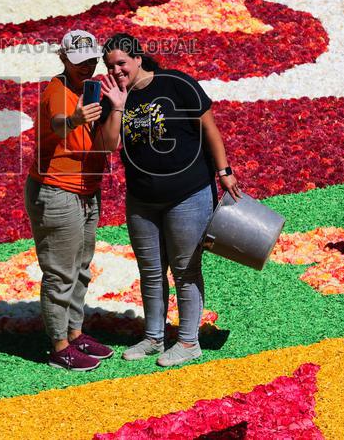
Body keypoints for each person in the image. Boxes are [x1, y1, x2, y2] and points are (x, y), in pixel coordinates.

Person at [99, 32, 242, 368]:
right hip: (141, 198)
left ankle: (189, 342)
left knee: (185, 269)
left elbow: (209, 129)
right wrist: (117, 107)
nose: (117, 70)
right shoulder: (115, 96)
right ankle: (154, 337)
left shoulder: (176, 83)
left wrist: (224, 171)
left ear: (138, 58)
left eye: (121, 62)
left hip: (187, 194)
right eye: (110, 66)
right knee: (150, 271)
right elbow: (108, 146)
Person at [24, 29, 126, 371]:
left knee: (80, 268)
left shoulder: (96, 90)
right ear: (63, 59)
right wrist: (76, 119)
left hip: (85, 189)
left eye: (90, 61)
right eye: (78, 62)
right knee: (60, 272)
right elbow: (59, 123)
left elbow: (108, 145)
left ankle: (75, 332)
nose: (86, 68)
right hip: (55, 190)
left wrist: (117, 107)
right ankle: (59, 345)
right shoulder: (57, 89)